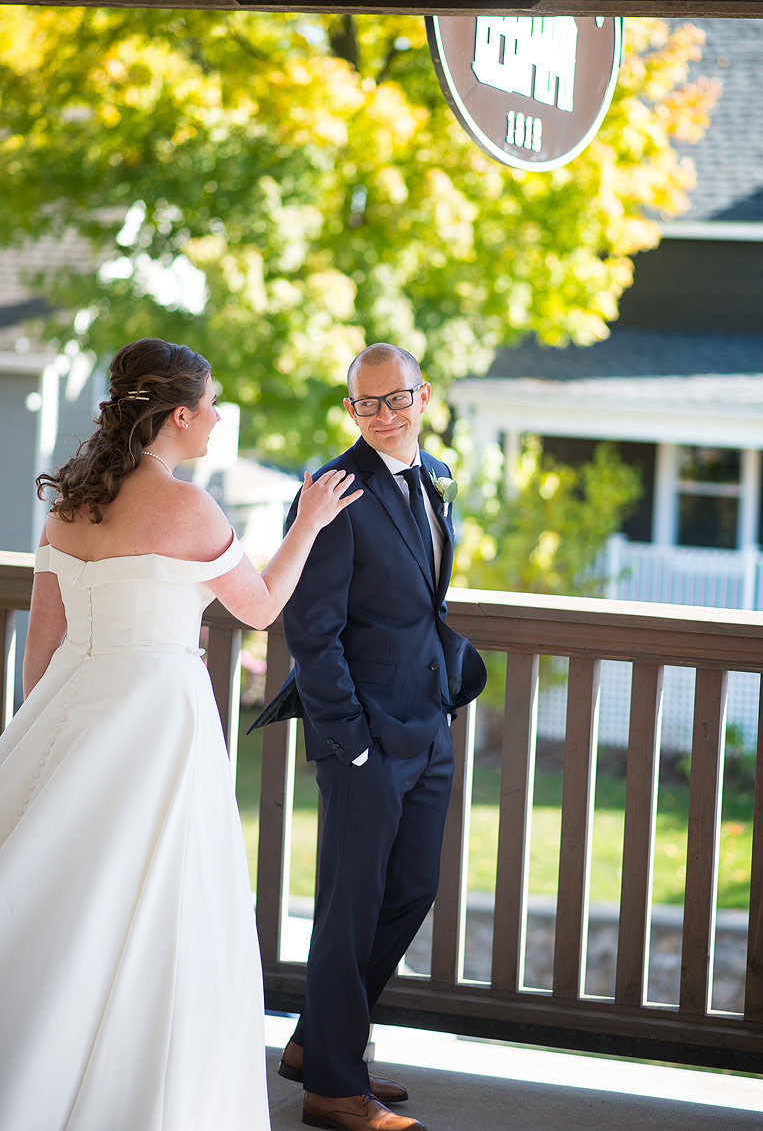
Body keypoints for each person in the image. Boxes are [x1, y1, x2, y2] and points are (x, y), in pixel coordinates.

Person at [0, 337, 361, 1131]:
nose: (219, 417)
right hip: (160, 724)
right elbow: (261, 608)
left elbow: (42, 650)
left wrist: (47, 738)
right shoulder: (191, 507)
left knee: (57, 889)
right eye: (212, 405)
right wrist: (306, 524)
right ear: (176, 415)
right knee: (157, 906)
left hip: (72, 710)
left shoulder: (68, 504)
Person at [251, 343, 487, 1131]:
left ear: (425, 394)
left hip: (428, 726)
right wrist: (349, 740)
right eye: (367, 403)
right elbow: (311, 631)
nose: (385, 415)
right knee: (349, 907)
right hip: (364, 741)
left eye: (398, 399)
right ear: (350, 409)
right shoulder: (332, 490)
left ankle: (320, 1045)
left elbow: (422, 602)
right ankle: (333, 1089)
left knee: (411, 889)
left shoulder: (436, 478)